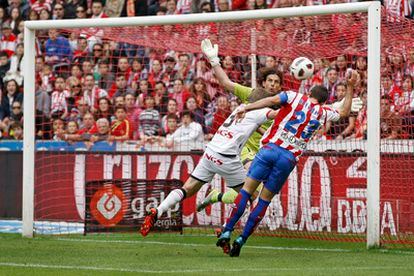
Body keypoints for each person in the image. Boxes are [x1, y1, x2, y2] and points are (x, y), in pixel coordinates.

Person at [216, 70, 358, 257]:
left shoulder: (293, 96)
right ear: (323, 101)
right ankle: (242, 239)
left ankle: (227, 229)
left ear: (310, 94)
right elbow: (344, 112)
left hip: (269, 150)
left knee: (246, 191)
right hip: (288, 159)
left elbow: (271, 101)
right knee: (264, 201)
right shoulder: (323, 112)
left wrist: (247, 108)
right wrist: (349, 87)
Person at [140, 100, 279, 237]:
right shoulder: (259, 111)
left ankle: (158, 211)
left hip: (210, 152)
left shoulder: (240, 109)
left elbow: (254, 126)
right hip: (227, 157)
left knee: (187, 189)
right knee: (251, 194)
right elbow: (277, 114)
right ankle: (225, 229)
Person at [196, 38, 283, 211]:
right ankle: (227, 228)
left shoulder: (283, 105)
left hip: (262, 152)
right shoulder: (251, 94)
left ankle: (217, 196)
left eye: (276, 82)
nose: (272, 85)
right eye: (270, 81)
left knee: (252, 194)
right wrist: (214, 61)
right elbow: (226, 83)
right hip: (242, 148)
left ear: (280, 86)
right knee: (251, 187)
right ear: (264, 82)